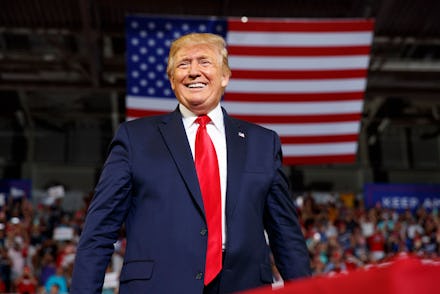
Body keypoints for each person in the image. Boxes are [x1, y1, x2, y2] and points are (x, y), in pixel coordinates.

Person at [71, 32, 310, 293]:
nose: (194, 71)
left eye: (205, 62)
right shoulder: (134, 138)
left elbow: (286, 235)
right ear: (173, 80)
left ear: (225, 76)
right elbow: (99, 231)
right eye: (183, 64)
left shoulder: (263, 143)